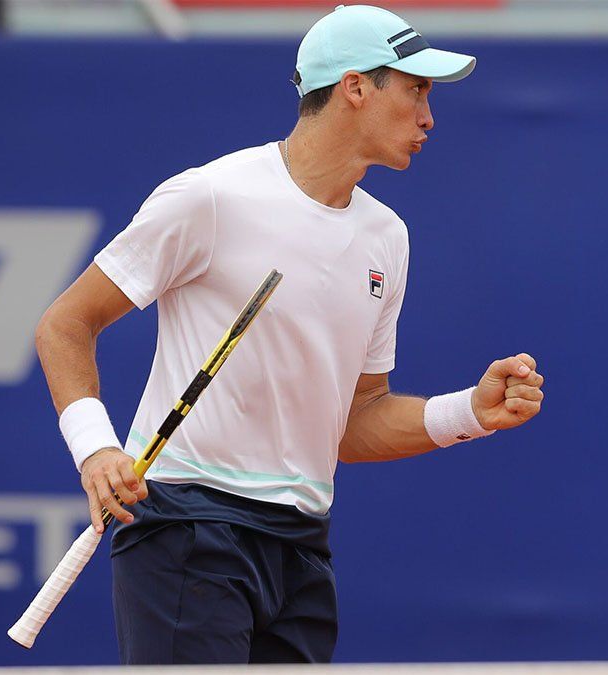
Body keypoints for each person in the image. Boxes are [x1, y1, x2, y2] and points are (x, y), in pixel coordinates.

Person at [34, 4, 544, 665]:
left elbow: (356, 419)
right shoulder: (210, 197)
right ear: (356, 87)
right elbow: (65, 324)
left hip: (300, 546)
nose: (429, 117)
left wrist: (468, 411)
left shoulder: (387, 237)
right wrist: (96, 450)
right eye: (415, 89)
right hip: (189, 523)